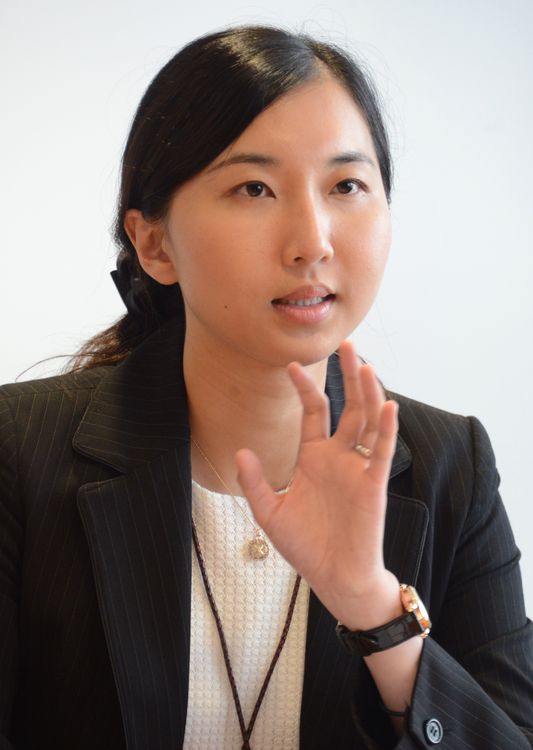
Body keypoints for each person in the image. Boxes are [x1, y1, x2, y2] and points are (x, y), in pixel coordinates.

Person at [0, 25, 531, 750]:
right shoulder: (17, 452)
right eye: (254, 188)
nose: (312, 241)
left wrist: (373, 607)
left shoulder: (451, 467)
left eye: (346, 186)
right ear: (154, 243)